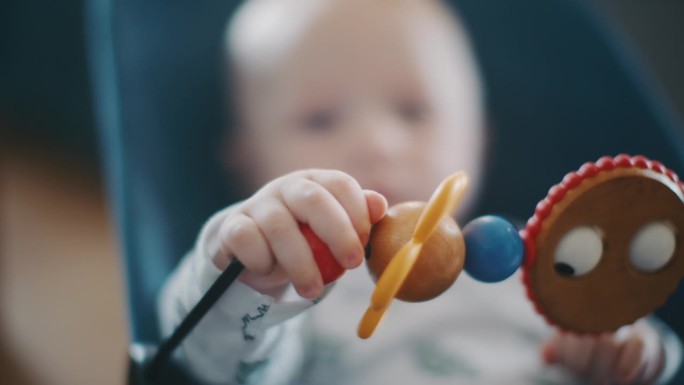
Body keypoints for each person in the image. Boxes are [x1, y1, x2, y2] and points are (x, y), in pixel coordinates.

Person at [158, 0, 682, 383]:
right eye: (319, 120)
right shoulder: (287, 289)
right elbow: (209, 365)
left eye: (414, 112)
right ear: (248, 162)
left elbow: (636, 328)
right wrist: (244, 274)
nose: (378, 144)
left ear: (479, 137)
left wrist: (631, 354)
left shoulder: (543, 263)